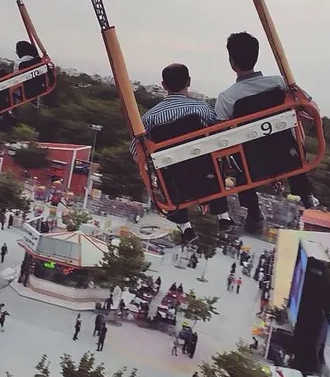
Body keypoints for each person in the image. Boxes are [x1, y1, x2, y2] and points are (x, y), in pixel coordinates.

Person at [215, 32, 319, 229]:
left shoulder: (227, 99)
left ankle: (253, 211)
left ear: (232, 61)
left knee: (239, 160)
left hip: (251, 165)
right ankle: (306, 194)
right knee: (289, 140)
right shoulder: (280, 83)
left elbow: (219, 137)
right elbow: (311, 107)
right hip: (288, 156)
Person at [129, 63, 236, 241]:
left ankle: (185, 227)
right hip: (203, 169)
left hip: (173, 176)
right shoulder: (200, 109)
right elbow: (217, 129)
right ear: (189, 81)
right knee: (213, 164)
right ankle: (223, 217)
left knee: (166, 177)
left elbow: (135, 150)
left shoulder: (149, 119)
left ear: (163, 85)